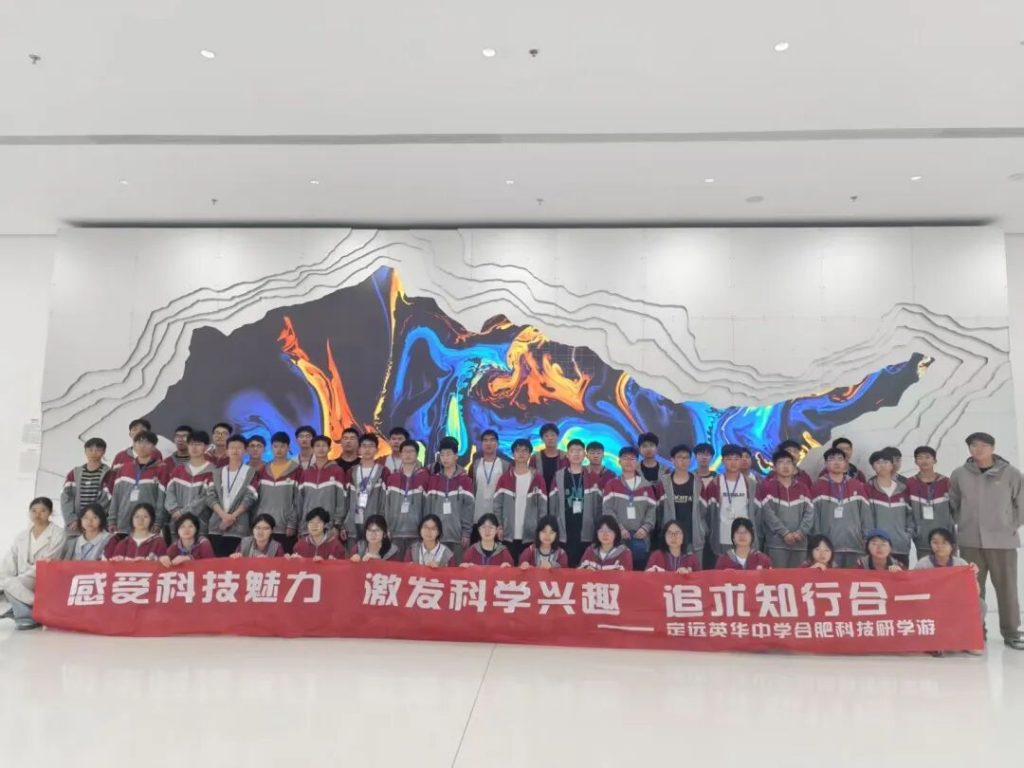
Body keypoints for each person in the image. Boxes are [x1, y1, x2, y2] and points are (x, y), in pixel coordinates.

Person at [950, 432, 1024, 650]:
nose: (978, 449)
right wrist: (963, 524)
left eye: (983, 445)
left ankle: (1011, 632)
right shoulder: (959, 474)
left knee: (1007, 589)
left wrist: (1009, 526)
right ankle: (976, 631)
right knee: (972, 590)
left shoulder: (1011, 473)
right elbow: (953, 504)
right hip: (970, 541)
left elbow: (1021, 505)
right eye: (974, 445)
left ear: (992, 448)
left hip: (1003, 542)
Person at [0, 497, 66, 630]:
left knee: (11, 585)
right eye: (34, 511)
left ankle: (29, 613)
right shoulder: (22, 536)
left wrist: (14, 580)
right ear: (29, 512)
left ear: (50, 512)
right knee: (7, 581)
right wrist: (4, 576)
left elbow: (49, 560)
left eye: (43, 511)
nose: (37, 515)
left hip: (44, 577)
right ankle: (24, 611)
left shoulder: (58, 534)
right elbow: (10, 559)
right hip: (23, 578)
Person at [696, 444, 759, 567]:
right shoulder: (714, 484)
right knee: (723, 573)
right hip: (721, 539)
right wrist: (709, 533)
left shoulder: (751, 484)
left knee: (746, 574)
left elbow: (758, 513)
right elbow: (704, 513)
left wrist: (756, 533)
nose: (733, 463)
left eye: (736, 459)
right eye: (729, 459)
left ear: (741, 460)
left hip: (745, 539)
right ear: (723, 461)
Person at [811, 447, 872, 567]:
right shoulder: (817, 486)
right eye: (832, 459)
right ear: (826, 464)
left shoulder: (857, 485)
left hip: (855, 546)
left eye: (840, 459)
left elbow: (866, 515)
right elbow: (814, 517)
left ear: (846, 463)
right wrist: (818, 543)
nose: (836, 462)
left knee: (854, 578)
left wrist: (867, 539)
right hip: (828, 549)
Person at [494, 438, 550, 560]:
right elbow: (497, 505)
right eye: (518, 450)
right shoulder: (505, 478)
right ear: (513, 454)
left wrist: (540, 530)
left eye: (525, 451)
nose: (521, 453)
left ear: (530, 454)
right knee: (508, 568)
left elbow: (543, 508)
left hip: (531, 535)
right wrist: (499, 526)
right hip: (508, 534)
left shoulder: (538, 479)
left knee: (528, 569)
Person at [102, 429, 165, 535]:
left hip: (148, 525)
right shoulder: (123, 469)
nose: (142, 446)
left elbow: (161, 500)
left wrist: (158, 522)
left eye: (147, 443)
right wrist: (112, 519)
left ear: (154, 447)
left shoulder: (161, 470)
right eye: (139, 442)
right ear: (134, 445)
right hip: (123, 523)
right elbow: (116, 496)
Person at [757, 449, 814, 567]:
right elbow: (768, 515)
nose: (785, 466)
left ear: (794, 467)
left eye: (788, 462)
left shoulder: (803, 488)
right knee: (777, 577)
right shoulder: (767, 487)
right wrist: (784, 533)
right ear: (774, 467)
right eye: (781, 462)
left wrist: (800, 533)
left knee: (798, 577)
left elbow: (810, 513)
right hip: (776, 545)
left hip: (800, 545)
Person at [602, 446, 656, 569]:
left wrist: (645, 528)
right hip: (617, 537)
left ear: (637, 462)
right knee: (619, 572)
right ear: (619, 461)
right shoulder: (612, 484)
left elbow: (652, 509)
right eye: (625, 458)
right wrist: (619, 529)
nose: (629, 461)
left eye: (632, 459)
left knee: (639, 573)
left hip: (641, 538)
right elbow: (607, 509)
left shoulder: (646, 486)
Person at [206, 435, 260, 557]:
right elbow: (210, 496)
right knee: (216, 563)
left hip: (239, 525)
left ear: (245, 451)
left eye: (239, 447)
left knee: (236, 563)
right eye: (232, 447)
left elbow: (250, 497)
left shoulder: (251, 473)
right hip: (217, 524)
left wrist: (232, 517)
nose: (235, 450)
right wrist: (223, 516)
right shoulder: (216, 473)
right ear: (226, 450)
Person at [548, 438, 598, 566]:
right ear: (567, 455)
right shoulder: (558, 476)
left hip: (586, 531)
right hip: (564, 531)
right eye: (572, 451)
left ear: (584, 454)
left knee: (584, 568)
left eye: (579, 450)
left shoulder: (592, 475)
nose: (576, 454)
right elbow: (552, 505)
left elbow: (598, 506)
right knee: (564, 568)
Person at [425, 436, 474, 562]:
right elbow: (428, 510)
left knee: (457, 571)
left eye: (448, 454)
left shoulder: (466, 481)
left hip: (458, 538)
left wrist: (466, 533)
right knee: (436, 570)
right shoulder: (433, 480)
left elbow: (469, 510)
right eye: (442, 455)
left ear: (456, 456)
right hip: (436, 537)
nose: (445, 458)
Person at [164, 430, 215, 543]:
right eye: (191, 444)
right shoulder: (178, 470)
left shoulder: (213, 471)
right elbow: (169, 493)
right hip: (177, 524)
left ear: (206, 447)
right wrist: (174, 511)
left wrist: (183, 512)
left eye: (198, 444)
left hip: (200, 526)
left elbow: (206, 498)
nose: (194, 447)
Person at [864, 449, 914, 567]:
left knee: (900, 578)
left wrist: (906, 536)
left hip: (900, 546)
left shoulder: (903, 489)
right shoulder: (867, 489)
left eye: (886, 462)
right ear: (873, 466)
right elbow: (864, 519)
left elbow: (911, 517)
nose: (882, 465)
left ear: (892, 465)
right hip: (876, 549)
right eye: (878, 462)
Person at [383, 438, 429, 557]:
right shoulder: (392, 478)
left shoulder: (425, 477)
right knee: (395, 566)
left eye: (411, 451)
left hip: (417, 534)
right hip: (395, 532)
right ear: (400, 454)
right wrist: (387, 528)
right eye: (405, 451)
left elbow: (428, 507)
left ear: (417, 454)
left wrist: (425, 530)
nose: (408, 454)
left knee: (414, 566)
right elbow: (386, 505)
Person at [906, 445, 952, 561]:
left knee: (946, 568)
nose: (924, 461)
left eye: (927, 457)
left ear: (935, 460)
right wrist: (913, 531)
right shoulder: (910, 483)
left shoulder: (946, 482)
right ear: (915, 462)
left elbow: (955, 508)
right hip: (922, 537)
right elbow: (907, 511)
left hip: (945, 537)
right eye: (920, 458)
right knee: (925, 568)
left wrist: (950, 528)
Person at [258, 431, 302, 549]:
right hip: (264, 526)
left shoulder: (297, 470)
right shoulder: (263, 470)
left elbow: (298, 500)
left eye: (282, 446)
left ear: (288, 448)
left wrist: (292, 524)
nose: (279, 450)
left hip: (285, 528)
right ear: (271, 448)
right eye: (275, 446)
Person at [298, 434, 347, 537]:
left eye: (324, 445)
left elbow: (342, 501)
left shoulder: (338, 471)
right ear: (312, 449)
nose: (321, 449)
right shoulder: (306, 473)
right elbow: (299, 501)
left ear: (329, 449)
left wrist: (337, 524)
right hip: (308, 527)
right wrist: (299, 526)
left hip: (329, 527)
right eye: (317, 446)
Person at [60, 436, 109, 536]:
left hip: (99, 526)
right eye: (90, 450)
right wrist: (72, 519)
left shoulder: (109, 473)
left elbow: (107, 499)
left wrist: (92, 519)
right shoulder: (74, 473)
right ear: (85, 451)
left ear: (104, 452)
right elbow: (66, 497)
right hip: (75, 526)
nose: (94, 453)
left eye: (98, 450)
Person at [346, 433, 387, 542]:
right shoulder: (351, 471)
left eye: (371, 446)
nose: (367, 449)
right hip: (353, 522)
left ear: (377, 450)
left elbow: (385, 501)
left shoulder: (383, 471)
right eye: (364, 446)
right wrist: (344, 524)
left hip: (374, 523)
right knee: (353, 552)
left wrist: (382, 522)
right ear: (359, 449)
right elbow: (345, 499)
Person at [655, 444, 696, 552]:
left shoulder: (698, 483)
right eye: (679, 457)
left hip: (692, 537)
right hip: (669, 536)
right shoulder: (663, 484)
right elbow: (657, 511)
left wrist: (702, 529)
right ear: (672, 460)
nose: (683, 460)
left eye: (686, 457)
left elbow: (704, 511)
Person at [471, 429, 508, 520]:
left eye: (492, 440)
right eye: (485, 440)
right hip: (477, 515)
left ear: (497, 444)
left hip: (497, 516)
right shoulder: (475, 465)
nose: (488, 443)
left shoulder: (505, 465)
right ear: (481, 444)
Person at [531, 422, 567, 490]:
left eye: (553, 435)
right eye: (546, 436)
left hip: (561, 492)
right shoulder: (535, 457)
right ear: (542, 439)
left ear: (557, 436)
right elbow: (531, 478)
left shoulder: (566, 456)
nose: (550, 438)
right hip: (541, 493)